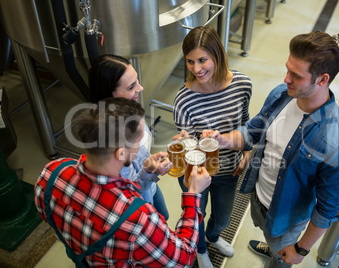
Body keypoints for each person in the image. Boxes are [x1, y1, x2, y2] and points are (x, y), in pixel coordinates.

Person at [202, 31, 339, 267]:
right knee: (271, 239)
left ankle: (278, 254)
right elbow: (253, 130)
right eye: (287, 69)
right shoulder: (281, 95)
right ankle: (273, 246)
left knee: (282, 257)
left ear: (322, 79)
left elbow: (327, 210)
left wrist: (300, 249)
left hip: (285, 221)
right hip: (258, 199)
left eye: (296, 75)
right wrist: (223, 140)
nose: (286, 79)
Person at [34, 97, 211, 267]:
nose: (140, 147)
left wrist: (146, 172)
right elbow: (183, 258)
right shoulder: (139, 219)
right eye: (138, 142)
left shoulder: (51, 172)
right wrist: (193, 193)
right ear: (120, 153)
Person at [173, 25, 252, 268]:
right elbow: (187, 146)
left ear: (217, 54)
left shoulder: (242, 85)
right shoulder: (184, 100)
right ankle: (201, 249)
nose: (196, 69)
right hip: (197, 172)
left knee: (223, 218)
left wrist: (247, 151)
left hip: (229, 169)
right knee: (197, 214)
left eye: (203, 60)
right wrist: (185, 144)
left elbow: (246, 123)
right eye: (190, 61)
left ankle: (213, 237)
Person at [89, 54, 169, 220]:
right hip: (139, 197)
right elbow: (130, 190)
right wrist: (148, 170)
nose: (140, 88)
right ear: (110, 93)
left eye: (137, 81)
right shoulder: (110, 140)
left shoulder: (128, 109)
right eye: (132, 86)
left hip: (149, 183)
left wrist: (149, 163)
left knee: (164, 216)